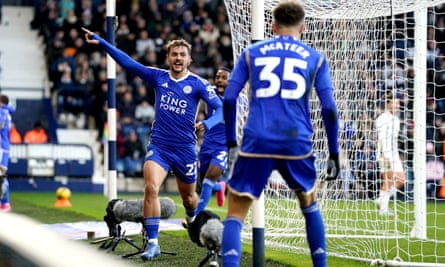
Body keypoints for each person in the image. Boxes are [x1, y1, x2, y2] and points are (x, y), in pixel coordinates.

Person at [82, 27, 223, 261]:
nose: (178, 58)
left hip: (186, 150)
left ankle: (191, 217)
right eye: (174, 54)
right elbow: (128, 63)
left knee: (189, 199)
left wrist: (208, 123)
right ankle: (153, 243)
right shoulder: (159, 77)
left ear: (189, 59)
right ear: (168, 57)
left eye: (182, 55)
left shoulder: (198, 84)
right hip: (159, 147)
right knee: (151, 188)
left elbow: (221, 109)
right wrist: (102, 42)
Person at [220, 1, 340, 266]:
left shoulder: (252, 52)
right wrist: (333, 152)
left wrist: (230, 142)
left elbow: (229, 99)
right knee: (309, 205)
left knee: (236, 213)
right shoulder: (315, 58)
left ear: (272, 26)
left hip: (256, 141)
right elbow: (329, 109)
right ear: (304, 27)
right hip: (296, 141)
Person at [194, 67, 231, 217]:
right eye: (217, 77)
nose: (220, 80)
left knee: (208, 180)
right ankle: (220, 187)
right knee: (204, 183)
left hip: (223, 146)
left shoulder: (237, 97)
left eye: (224, 78)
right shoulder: (210, 92)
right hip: (207, 143)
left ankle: (195, 216)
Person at [375, 91, 405, 215]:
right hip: (384, 154)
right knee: (388, 180)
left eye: (398, 103)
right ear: (388, 104)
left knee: (401, 180)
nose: (398, 105)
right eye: (395, 103)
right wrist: (385, 156)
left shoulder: (396, 120)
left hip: (394, 154)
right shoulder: (382, 119)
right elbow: (381, 139)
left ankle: (381, 199)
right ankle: (383, 209)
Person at [0, 94, 15, 211]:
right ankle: (4, 203)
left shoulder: (2, 113)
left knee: (1, 175)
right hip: (3, 147)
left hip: (1, 147)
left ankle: (5, 203)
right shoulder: (6, 112)